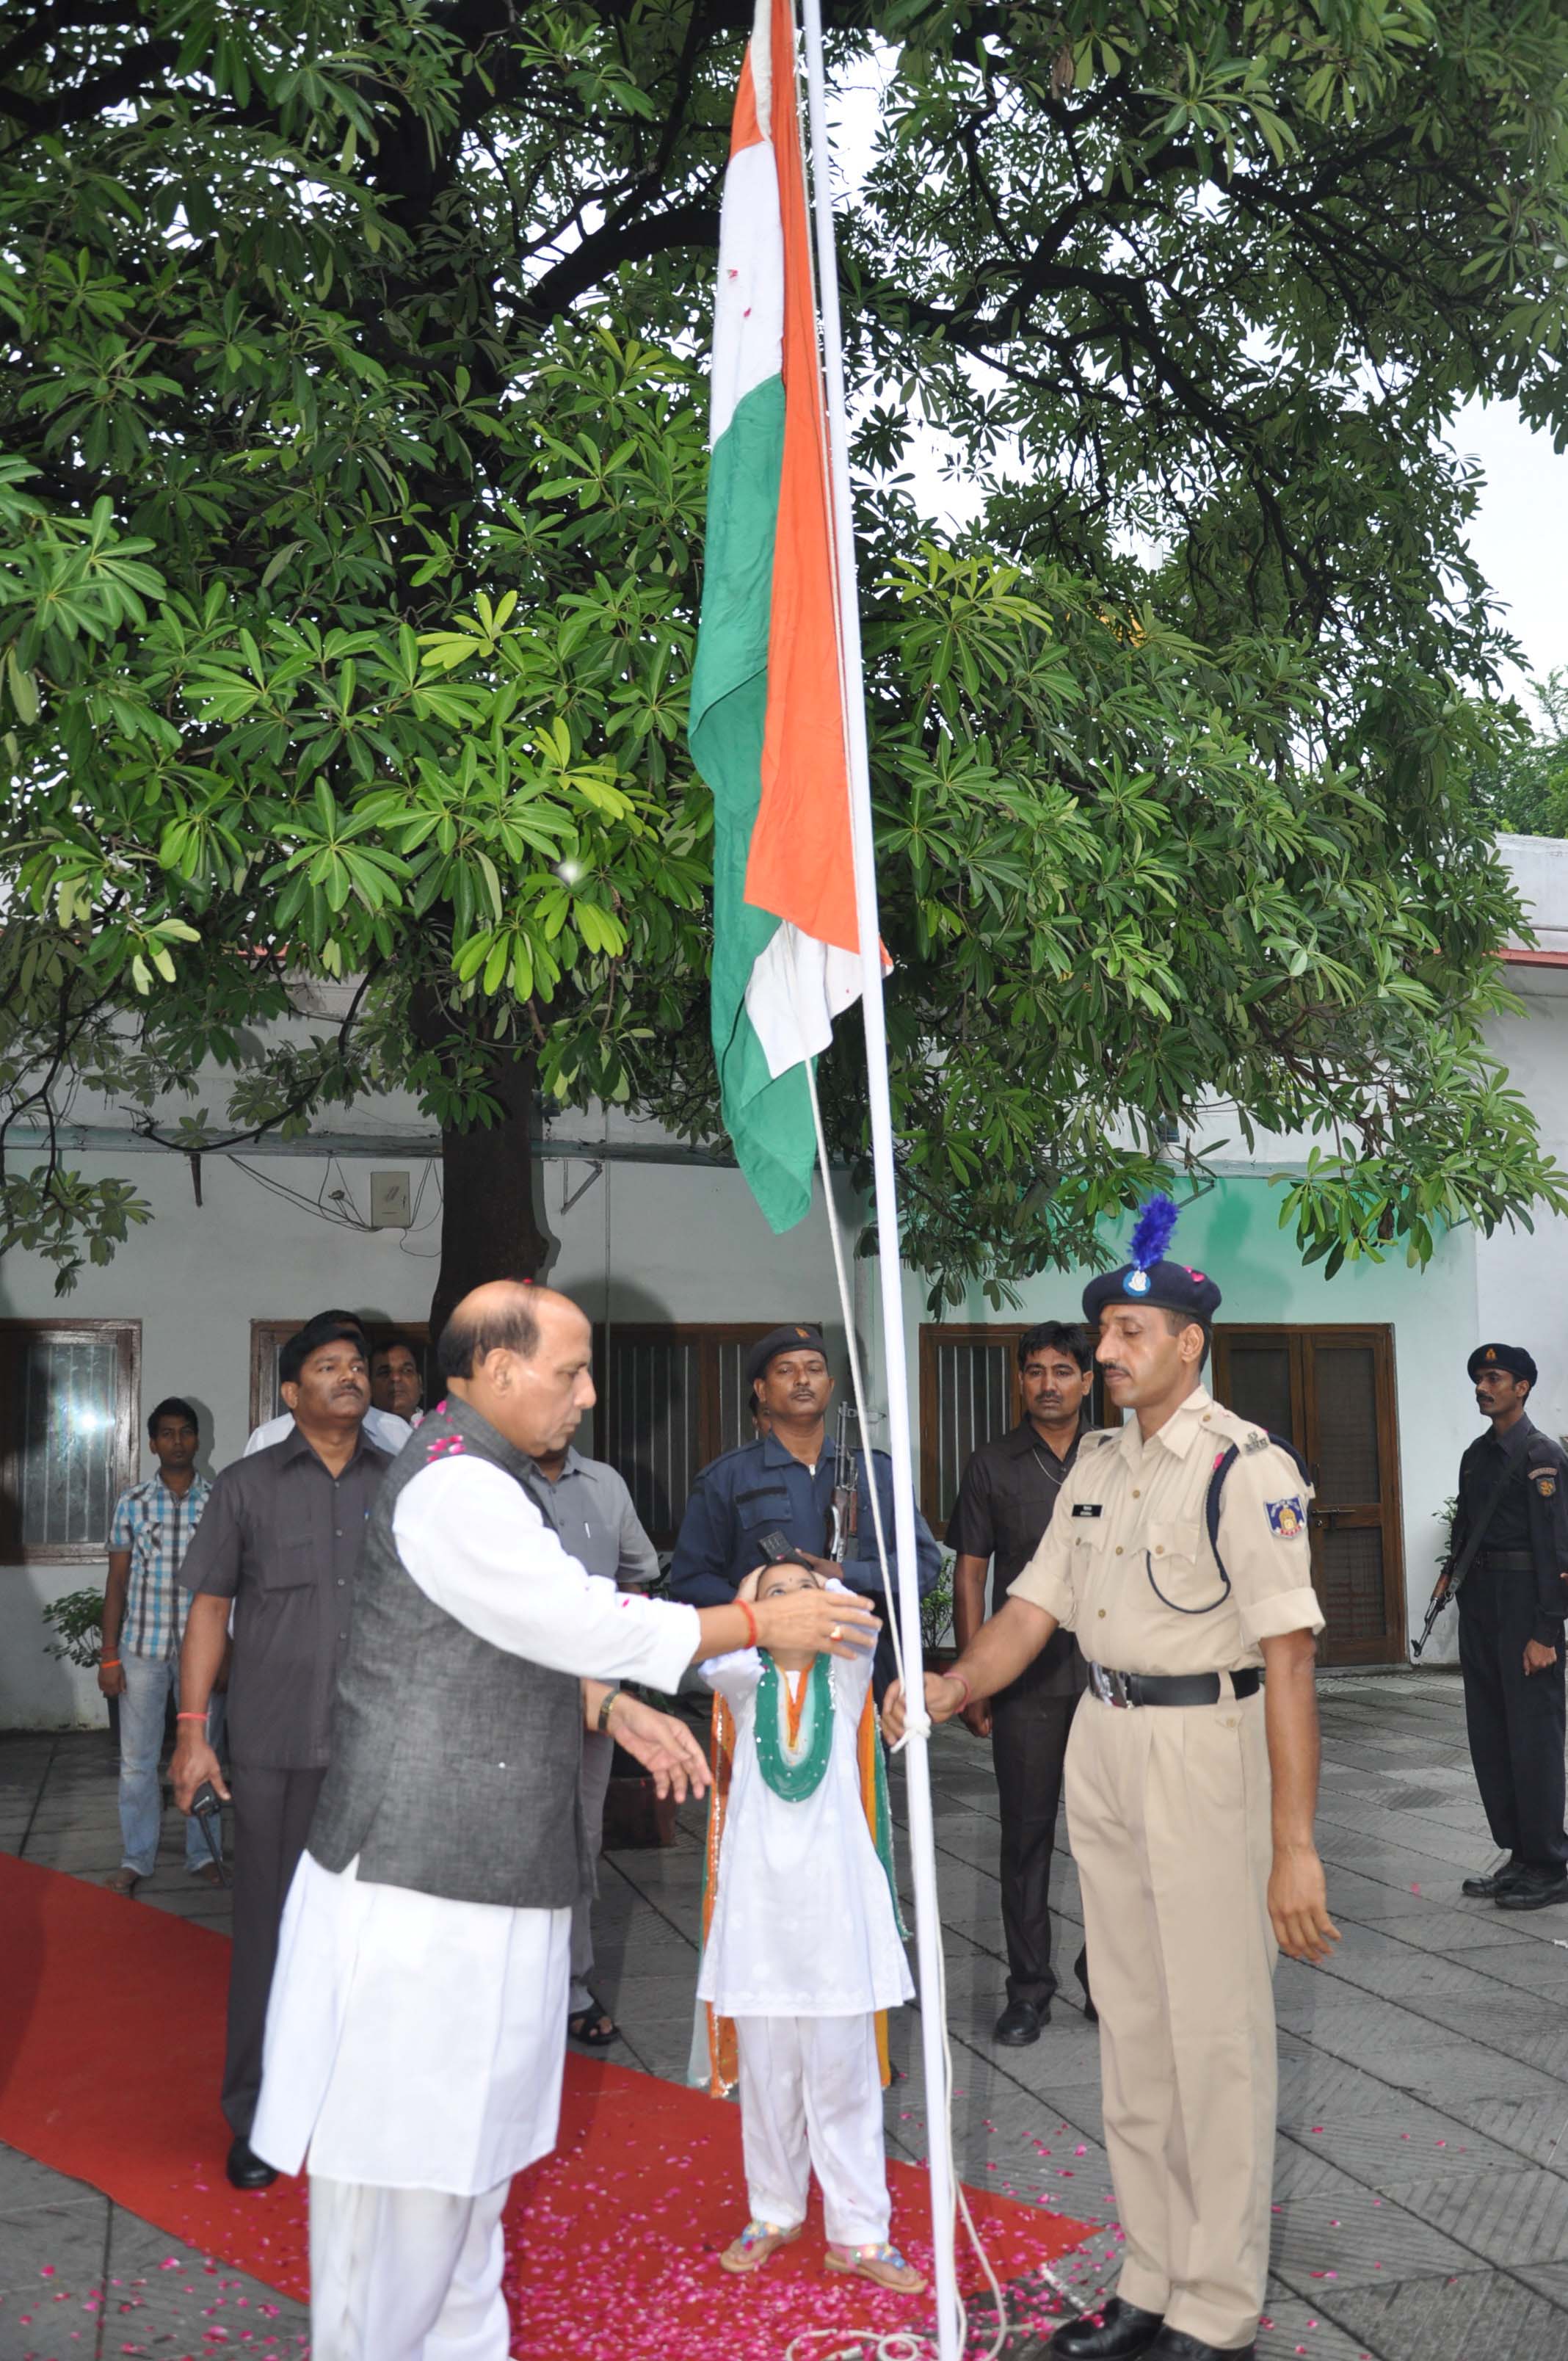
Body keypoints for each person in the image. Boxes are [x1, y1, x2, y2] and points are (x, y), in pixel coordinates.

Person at [243, 1282, 879, 2361]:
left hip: (490, 1881)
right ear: (495, 1371)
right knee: (405, 2201)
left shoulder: (487, 1479)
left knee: (473, 2186)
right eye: (571, 1371)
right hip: (420, 1894)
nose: (588, 1395)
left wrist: (612, 1703)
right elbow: (572, 1613)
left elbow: (509, 1640)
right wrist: (756, 1619)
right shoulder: (455, 1486)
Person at [884, 1203, 1338, 2361]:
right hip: (1107, 1738)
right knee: (1133, 2030)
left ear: (1190, 1342)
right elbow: (1033, 1607)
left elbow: (1289, 1657)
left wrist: (1295, 1844)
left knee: (1214, 2037)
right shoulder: (1097, 1463)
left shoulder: (1244, 1466)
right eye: (1107, 1333)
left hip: (1206, 1752)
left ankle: (1219, 2307)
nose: (1107, 1353)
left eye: (1132, 1333)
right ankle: (1151, 2278)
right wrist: (946, 1686)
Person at [172, 1316, 391, 2191]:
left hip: (383, 1750)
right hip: (273, 1746)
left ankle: (364, 2104)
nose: (349, 1378)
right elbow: (209, 1610)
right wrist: (193, 1732)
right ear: (292, 1394)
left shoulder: (409, 1483)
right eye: (327, 1367)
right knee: (270, 1932)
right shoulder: (247, 1487)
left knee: (379, 1937)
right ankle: (262, 2117)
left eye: (359, 1366)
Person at [700, 1559, 923, 2294]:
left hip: (835, 1918)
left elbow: (862, 1614)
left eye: (806, 1591)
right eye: (775, 1595)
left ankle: (860, 2231)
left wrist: (812, 1587)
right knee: (768, 2078)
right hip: (761, 1919)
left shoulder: (844, 1675)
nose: (795, 1602)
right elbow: (716, 1651)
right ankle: (773, 2210)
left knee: (844, 2076)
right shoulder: (744, 1681)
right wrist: (753, 1606)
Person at [946, 1321, 1097, 2044]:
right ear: (1020, 1381)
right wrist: (974, 1676)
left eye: (1063, 1371)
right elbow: (971, 1571)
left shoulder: (1118, 1458)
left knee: (1114, 1837)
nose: (1048, 1385)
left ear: (1088, 1381)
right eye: (1034, 1371)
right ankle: (1029, 1990)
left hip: (1110, 1676)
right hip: (1026, 1678)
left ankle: (1108, 1977)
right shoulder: (992, 1464)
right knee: (1027, 1837)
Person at [669, 1324, 941, 1696]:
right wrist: (769, 1602)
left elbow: (923, 1567)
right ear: (761, 1391)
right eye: (786, 1370)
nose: (802, 1380)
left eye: (814, 1369)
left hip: (864, 1671)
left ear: (829, 1385)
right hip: (762, 1674)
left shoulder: (877, 1473)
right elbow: (690, 1581)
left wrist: (844, 1574)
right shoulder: (725, 1479)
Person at [520, 1435, 661, 2047]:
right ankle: (509, 1990)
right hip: (508, 1695)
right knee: (512, 1843)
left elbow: (638, 1576)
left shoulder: (605, 1484)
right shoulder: (489, 1479)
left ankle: (572, 1988)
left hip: (593, 1703)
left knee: (580, 1838)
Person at [1443, 1342, 1568, 1910]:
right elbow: (1466, 1528)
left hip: (1525, 1605)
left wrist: (1547, 1631)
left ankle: (1550, 1860)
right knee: (1491, 1733)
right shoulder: (1476, 1455)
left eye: (1494, 1378)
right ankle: (1519, 1853)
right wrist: (1452, 1576)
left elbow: (1557, 1546)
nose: (1483, 1387)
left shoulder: (1542, 1455)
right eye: (1479, 1378)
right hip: (1483, 1603)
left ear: (1522, 1387)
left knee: (1533, 1735)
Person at [101, 1398, 223, 1895]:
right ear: (152, 1443)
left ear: (199, 1440)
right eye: (167, 1434)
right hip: (143, 1650)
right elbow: (116, 1583)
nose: (177, 1442)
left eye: (185, 1432)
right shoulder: (132, 1502)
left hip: (204, 1653)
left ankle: (204, 1855)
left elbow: (231, 1583)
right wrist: (110, 1655)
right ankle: (136, 1857)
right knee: (137, 1763)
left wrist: (229, 1651)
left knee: (207, 1755)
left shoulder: (219, 1501)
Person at [244, 1309, 412, 1458]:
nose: (347, 1375)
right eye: (331, 1364)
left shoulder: (397, 1432)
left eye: (355, 1359)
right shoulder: (268, 1438)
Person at [370, 1332, 424, 1426]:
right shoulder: (356, 1436)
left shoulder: (444, 1432)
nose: (396, 1378)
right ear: (370, 1388)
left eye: (407, 1370)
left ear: (420, 1384)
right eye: (384, 1372)